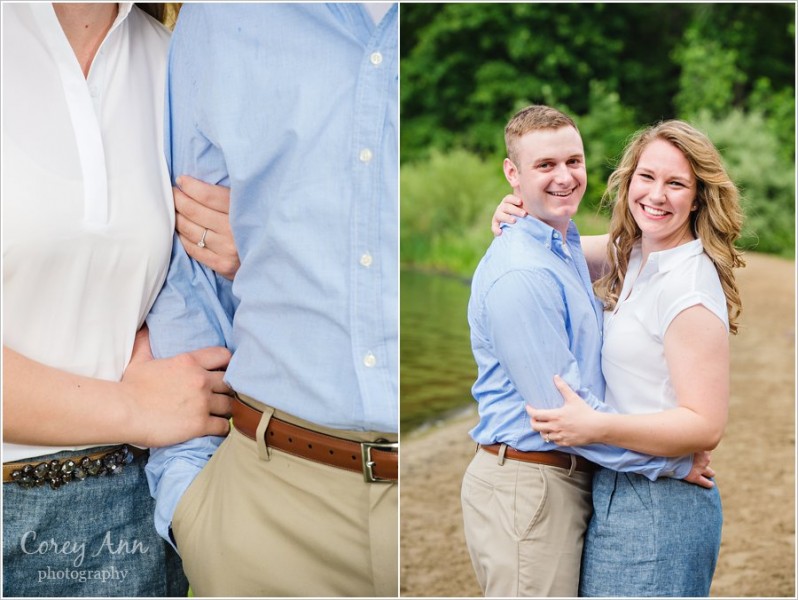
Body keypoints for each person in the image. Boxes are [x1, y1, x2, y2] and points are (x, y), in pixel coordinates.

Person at [143, 3, 398, 596]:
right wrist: (190, 496)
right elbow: (187, 269)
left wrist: (273, 241)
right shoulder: (219, 16)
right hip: (266, 513)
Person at [2, 3, 239, 596]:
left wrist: (254, 246)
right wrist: (130, 408)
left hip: (128, 521)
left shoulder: (177, 64)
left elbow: (196, 289)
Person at [461, 105, 715, 598]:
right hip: (529, 485)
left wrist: (524, 206)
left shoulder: (562, 246)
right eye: (544, 166)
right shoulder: (524, 272)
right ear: (512, 173)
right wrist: (672, 464)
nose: (564, 177)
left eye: (573, 161)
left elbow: (629, 245)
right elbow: (563, 415)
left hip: (571, 479)